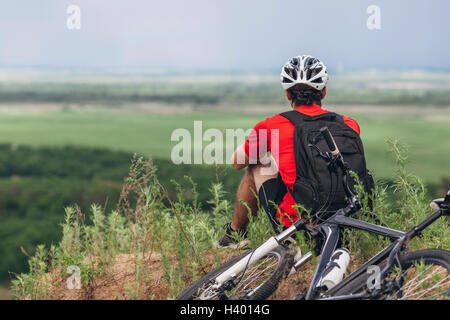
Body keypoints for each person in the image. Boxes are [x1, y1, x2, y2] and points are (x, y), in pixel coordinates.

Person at [218, 55, 364, 248]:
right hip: (348, 222)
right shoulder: (349, 124)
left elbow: (237, 162)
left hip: (299, 225)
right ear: (324, 92)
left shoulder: (273, 125)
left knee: (260, 164)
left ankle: (235, 234)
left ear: (288, 94)